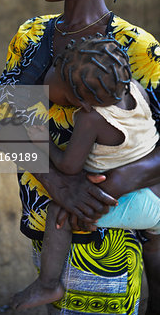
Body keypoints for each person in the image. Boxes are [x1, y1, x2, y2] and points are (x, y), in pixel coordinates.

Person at [0, 0, 160, 314]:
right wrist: (60, 184)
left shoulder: (137, 49)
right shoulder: (32, 37)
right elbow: (5, 125)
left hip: (106, 228)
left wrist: (106, 187)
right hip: (46, 226)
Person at [10, 34, 160, 311]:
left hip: (137, 200)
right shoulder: (135, 88)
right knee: (154, 244)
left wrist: (44, 145)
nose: (52, 73)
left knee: (58, 213)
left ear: (82, 102)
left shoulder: (91, 119)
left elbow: (69, 167)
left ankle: (48, 284)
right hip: (154, 192)